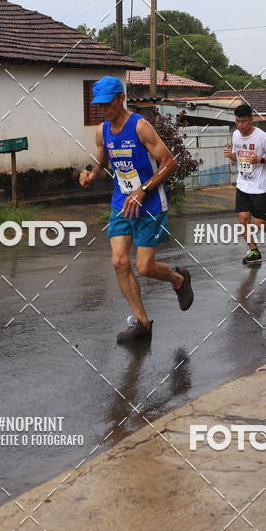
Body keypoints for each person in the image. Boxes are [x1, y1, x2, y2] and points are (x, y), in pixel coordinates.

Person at [79, 76, 193, 343]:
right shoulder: (102, 130)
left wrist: (143, 190)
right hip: (122, 203)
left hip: (150, 204)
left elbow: (169, 163)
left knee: (144, 267)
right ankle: (142, 323)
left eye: (107, 103)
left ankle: (178, 279)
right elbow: (102, 162)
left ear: (121, 98)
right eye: (98, 105)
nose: (102, 109)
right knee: (119, 262)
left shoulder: (140, 127)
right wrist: (91, 175)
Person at [223, 103, 266, 265]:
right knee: (243, 221)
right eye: (237, 121)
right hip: (243, 184)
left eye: (243, 121)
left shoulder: (262, 137)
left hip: (260, 186)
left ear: (252, 120)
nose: (240, 125)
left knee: (258, 223)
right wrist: (231, 155)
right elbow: (240, 156)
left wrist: (260, 160)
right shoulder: (235, 135)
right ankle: (254, 251)